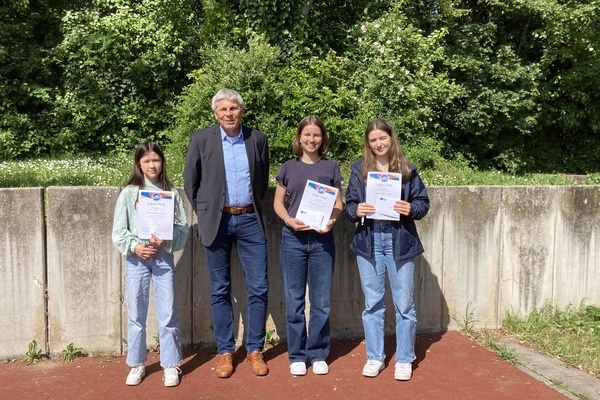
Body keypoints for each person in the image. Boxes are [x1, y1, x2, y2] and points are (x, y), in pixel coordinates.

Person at [183, 88, 270, 378]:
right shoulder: (201, 139)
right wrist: (206, 211)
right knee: (220, 289)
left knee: (259, 287)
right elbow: (191, 181)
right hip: (216, 222)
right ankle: (225, 351)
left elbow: (261, 181)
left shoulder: (257, 139)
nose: (228, 113)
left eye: (233, 108)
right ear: (215, 113)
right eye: (223, 109)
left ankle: (254, 349)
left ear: (241, 111)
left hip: (249, 220)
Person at [344, 118, 430, 381]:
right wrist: (356, 210)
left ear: (391, 138)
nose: (378, 144)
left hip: (400, 240)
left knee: (405, 305)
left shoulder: (407, 169)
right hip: (369, 241)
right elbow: (349, 206)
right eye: (373, 140)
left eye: (382, 138)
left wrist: (411, 208)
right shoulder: (358, 169)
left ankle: (404, 359)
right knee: (372, 304)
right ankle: (375, 357)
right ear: (368, 143)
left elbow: (423, 203)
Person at [111, 141, 189, 387]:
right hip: (137, 259)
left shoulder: (170, 192)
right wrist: (135, 246)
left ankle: (170, 364)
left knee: (168, 312)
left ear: (162, 162)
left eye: (156, 160)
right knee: (136, 313)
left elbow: (182, 228)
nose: (152, 165)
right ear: (139, 164)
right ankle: (137, 363)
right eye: (146, 161)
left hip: (163, 256)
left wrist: (167, 241)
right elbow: (118, 231)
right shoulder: (129, 193)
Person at [273, 115, 343, 376]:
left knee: (321, 302)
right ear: (299, 138)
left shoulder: (331, 167)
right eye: (307, 135)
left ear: (322, 139)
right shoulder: (288, 167)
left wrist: (332, 221)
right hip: (293, 241)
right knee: (294, 301)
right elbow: (278, 203)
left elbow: (339, 204)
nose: (312, 139)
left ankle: (318, 352)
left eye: (316, 135)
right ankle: (298, 355)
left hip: (323, 241)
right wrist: (288, 220)